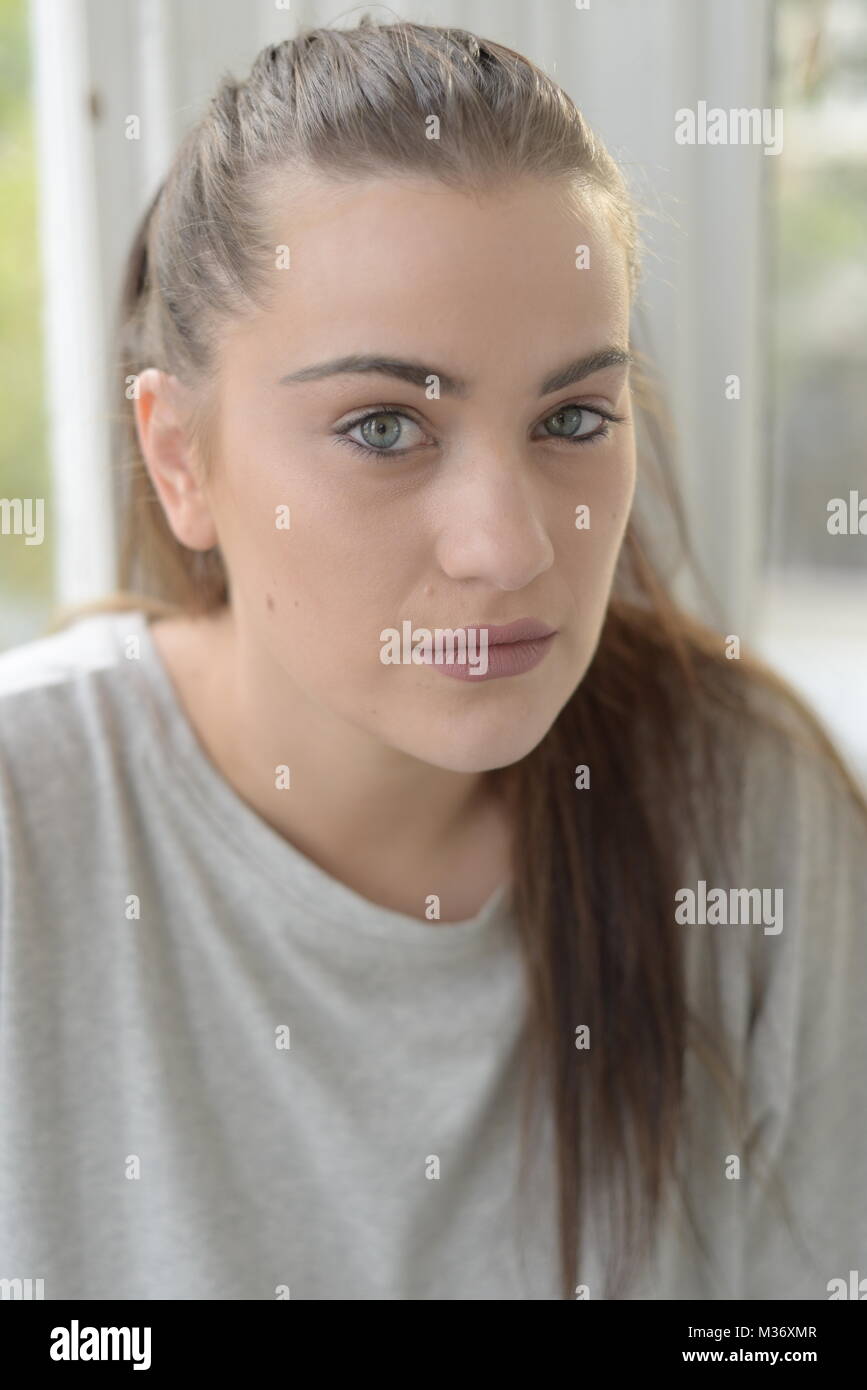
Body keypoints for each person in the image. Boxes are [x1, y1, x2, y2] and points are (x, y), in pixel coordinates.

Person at [1, 18, 865, 1301]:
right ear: (181, 456)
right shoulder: (31, 830)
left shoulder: (746, 817)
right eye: (384, 425)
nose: (509, 546)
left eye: (573, 417)